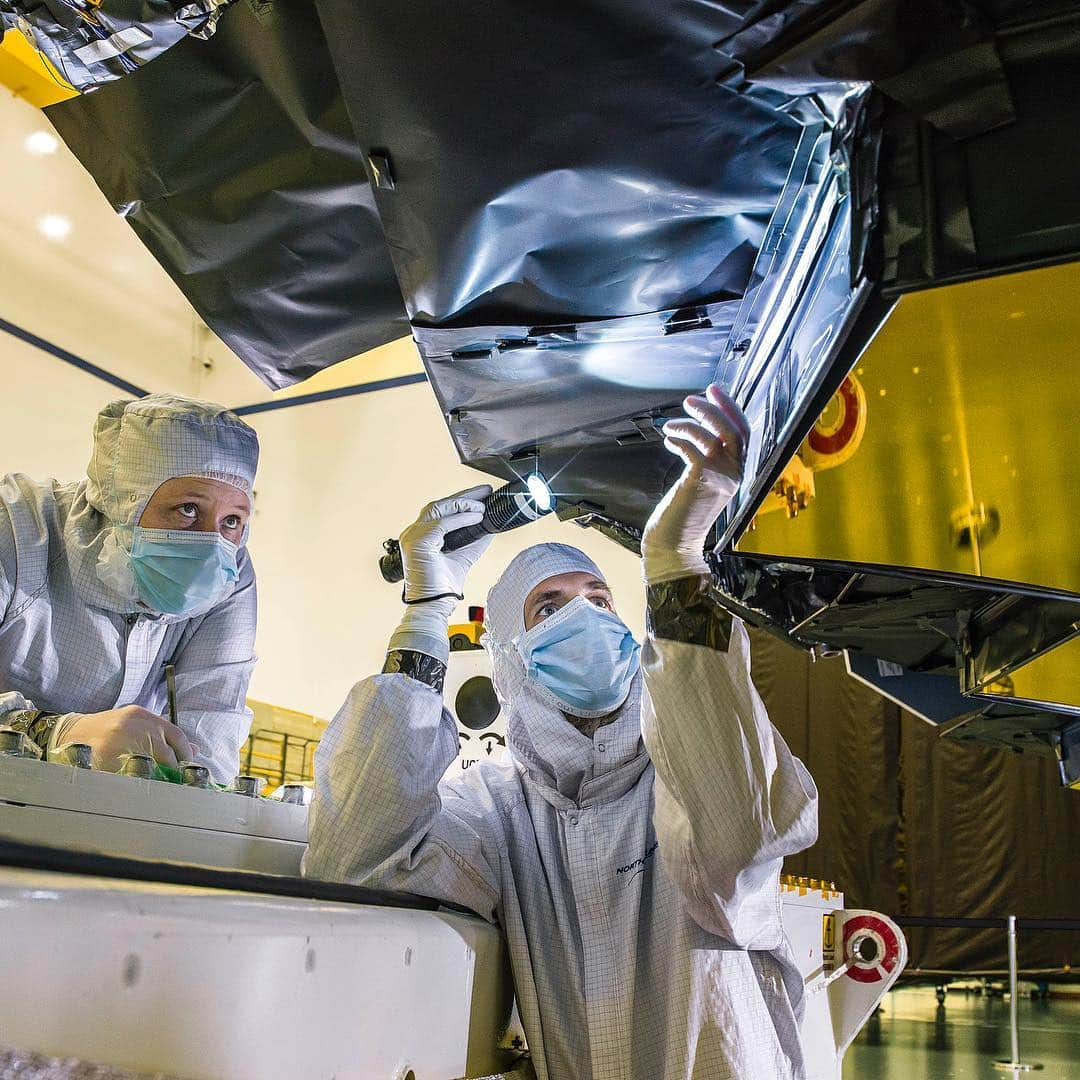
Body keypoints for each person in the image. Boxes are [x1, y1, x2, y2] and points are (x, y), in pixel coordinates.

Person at [305, 384, 818, 1078]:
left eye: (600, 600)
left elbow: (738, 838)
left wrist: (676, 560)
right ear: (511, 655)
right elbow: (358, 858)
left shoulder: (681, 770)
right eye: (550, 606)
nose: (586, 618)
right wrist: (426, 610)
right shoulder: (496, 809)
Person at [0, 394, 259, 783]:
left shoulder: (231, 577)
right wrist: (53, 732)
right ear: (122, 504)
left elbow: (209, 741)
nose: (212, 546)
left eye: (233, 520)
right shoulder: (18, 532)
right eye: (189, 509)